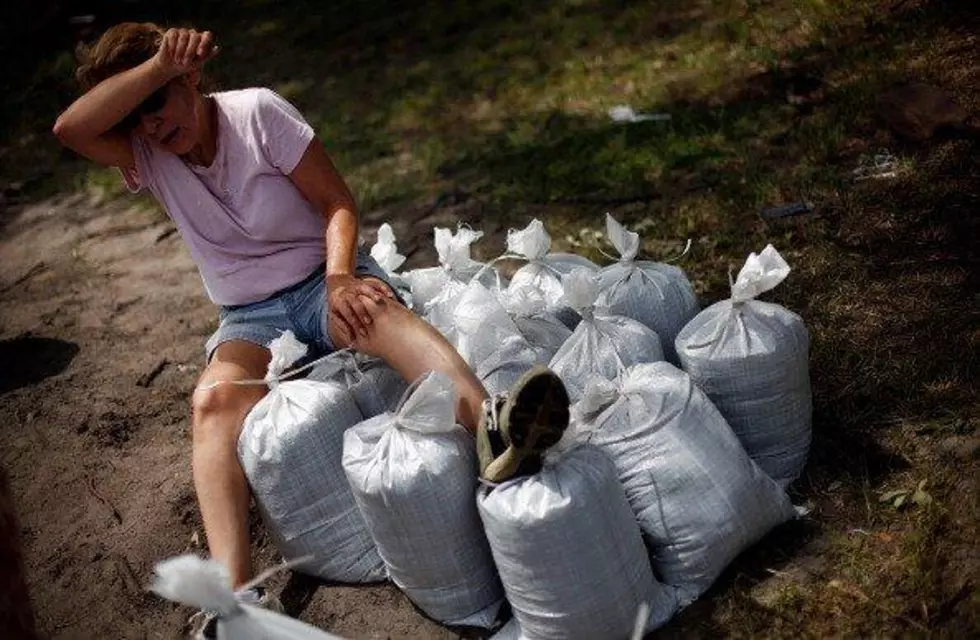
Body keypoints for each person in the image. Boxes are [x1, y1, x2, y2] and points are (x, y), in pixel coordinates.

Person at [54, 23, 569, 637]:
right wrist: (154, 71)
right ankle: (234, 602)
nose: (151, 126)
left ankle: (492, 425)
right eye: (134, 116)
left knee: (375, 315)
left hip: (321, 278)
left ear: (190, 79)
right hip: (250, 317)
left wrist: (340, 277)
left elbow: (337, 202)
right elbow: (71, 129)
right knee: (212, 403)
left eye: (158, 104)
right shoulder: (148, 158)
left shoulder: (258, 112)